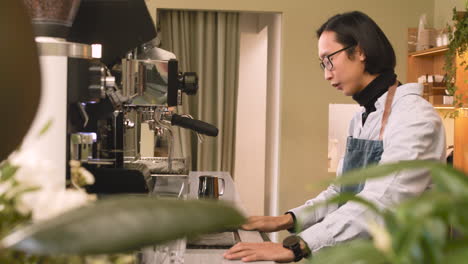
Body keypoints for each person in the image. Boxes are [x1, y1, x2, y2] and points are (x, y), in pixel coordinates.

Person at [224, 10, 446, 263]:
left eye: (329, 59)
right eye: (323, 64)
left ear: (360, 52)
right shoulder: (361, 117)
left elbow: (382, 201)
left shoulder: (413, 116)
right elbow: (341, 191)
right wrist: (288, 219)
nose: (326, 74)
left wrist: (299, 246)